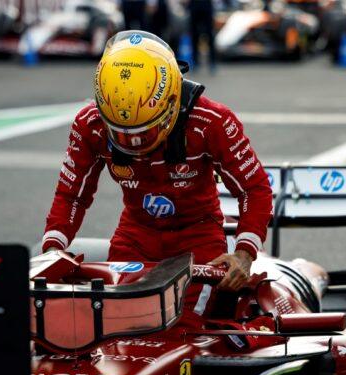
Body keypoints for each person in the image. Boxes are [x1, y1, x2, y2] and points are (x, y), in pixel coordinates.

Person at [41, 31, 272, 326]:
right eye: (120, 132)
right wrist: (53, 251)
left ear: (171, 103)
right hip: (136, 234)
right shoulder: (90, 124)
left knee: (186, 327)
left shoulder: (212, 122)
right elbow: (71, 194)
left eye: (143, 131)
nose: (132, 142)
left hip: (198, 237)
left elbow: (254, 188)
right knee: (115, 323)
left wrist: (244, 253)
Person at [188, 0, 218, 73]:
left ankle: (212, 62)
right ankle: (195, 62)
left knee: (209, 35)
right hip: (196, 6)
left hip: (205, 6)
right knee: (194, 36)